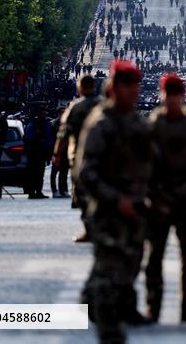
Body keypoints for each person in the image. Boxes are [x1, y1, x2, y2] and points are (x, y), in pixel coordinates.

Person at [74, 60, 153, 344]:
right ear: (113, 88)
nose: (135, 92)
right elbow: (86, 172)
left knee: (131, 264)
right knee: (109, 270)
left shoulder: (135, 122)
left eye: (137, 86)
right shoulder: (100, 123)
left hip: (135, 207)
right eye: (129, 86)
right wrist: (115, 199)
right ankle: (109, 331)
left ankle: (105, 304)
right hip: (109, 211)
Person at [144, 73, 186, 323]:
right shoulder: (152, 126)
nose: (171, 100)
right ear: (162, 96)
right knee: (154, 258)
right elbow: (144, 166)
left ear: (182, 96)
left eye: (175, 95)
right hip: (158, 200)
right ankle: (153, 307)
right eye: (167, 94)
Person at [55, 75, 102, 241]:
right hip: (102, 154)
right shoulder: (103, 106)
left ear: (80, 87)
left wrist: (56, 154)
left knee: (81, 190)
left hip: (79, 154)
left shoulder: (76, 106)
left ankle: (89, 228)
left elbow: (63, 133)